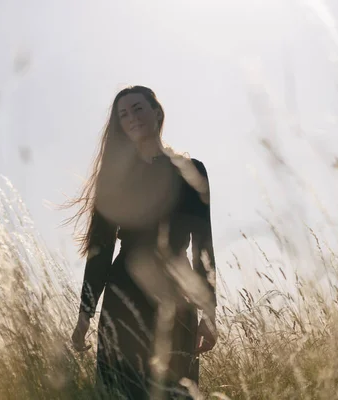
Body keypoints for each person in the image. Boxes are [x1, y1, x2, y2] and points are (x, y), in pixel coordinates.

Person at [65, 85, 217, 399]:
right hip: (124, 295)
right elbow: (101, 248)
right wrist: (84, 315)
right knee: (121, 391)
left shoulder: (191, 171)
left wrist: (209, 314)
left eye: (137, 108)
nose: (131, 117)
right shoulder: (115, 179)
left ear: (156, 113)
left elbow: (203, 244)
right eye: (123, 114)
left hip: (177, 294)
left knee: (177, 390)